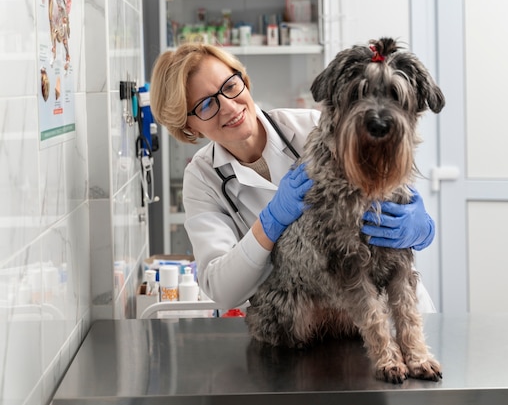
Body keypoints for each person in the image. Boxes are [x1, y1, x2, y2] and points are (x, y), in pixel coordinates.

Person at [150, 43, 437, 312]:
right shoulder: (202, 178)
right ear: (188, 127)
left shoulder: (314, 128)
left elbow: (393, 189)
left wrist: (421, 229)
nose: (229, 106)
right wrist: (269, 222)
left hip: (391, 312)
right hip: (305, 323)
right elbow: (222, 291)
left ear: (244, 81)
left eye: (230, 86)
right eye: (205, 105)